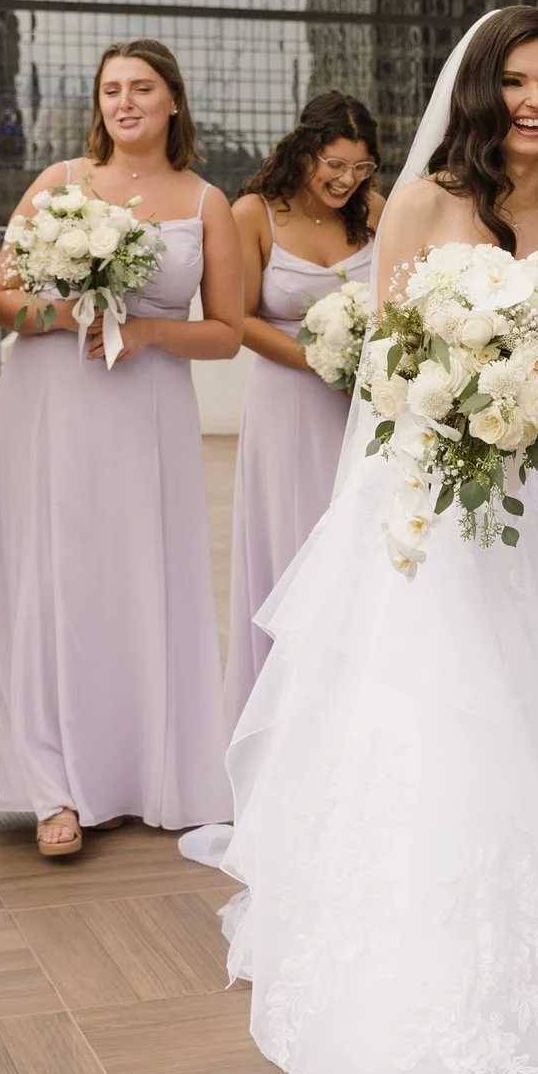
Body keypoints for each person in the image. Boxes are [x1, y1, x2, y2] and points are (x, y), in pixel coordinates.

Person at [212, 6, 538, 1074]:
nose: (536, 101)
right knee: (440, 710)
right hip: (438, 502)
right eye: (517, 81)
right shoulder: (419, 201)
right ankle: (414, 969)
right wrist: (451, 423)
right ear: (482, 90)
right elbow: (388, 363)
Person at [0, 38, 245, 856]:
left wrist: (149, 328)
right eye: (111, 90)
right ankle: (54, 785)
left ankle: (126, 771)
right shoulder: (57, 184)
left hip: (146, 409)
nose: (124, 102)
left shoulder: (207, 204)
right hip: (52, 401)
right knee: (55, 578)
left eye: (142, 88)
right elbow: (0, 299)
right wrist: (68, 314)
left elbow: (227, 333)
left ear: (172, 101)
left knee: (133, 577)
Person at [222, 93, 383, 720]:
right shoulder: (256, 213)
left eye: (360, 167)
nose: (347, 181)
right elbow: (238, 319)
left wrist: (369, 366)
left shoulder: (374, 210)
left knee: (355, 559)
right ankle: (283, 715)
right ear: (305, 151)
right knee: (292, 546)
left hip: (360, 409)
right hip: (286, 406)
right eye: (335, 165)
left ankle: (351, 714)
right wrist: (323, 361)